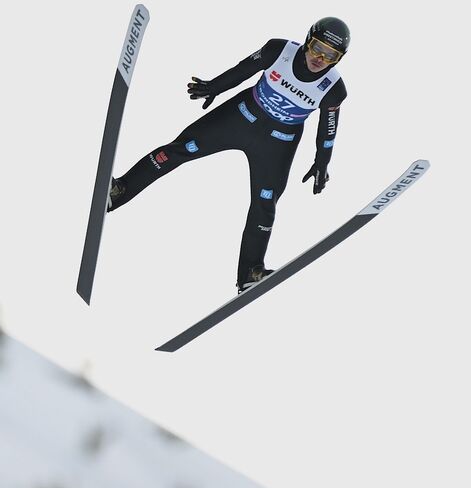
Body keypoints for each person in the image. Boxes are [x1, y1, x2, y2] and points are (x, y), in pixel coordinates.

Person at [107, 17, 350, 292]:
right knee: (180, 149)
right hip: (240, 116)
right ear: (308, 40)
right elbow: (243, 69)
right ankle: (119, 191)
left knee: (264, 203)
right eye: (318, 48)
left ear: (338, 59)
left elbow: (328, 129)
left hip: (279, 143)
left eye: (331, 55)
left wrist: (322, 161)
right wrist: (214, 87)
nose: (320, 58)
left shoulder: (333, 89)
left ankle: (250, 272)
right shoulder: (278, 50)